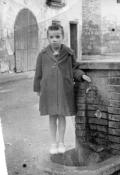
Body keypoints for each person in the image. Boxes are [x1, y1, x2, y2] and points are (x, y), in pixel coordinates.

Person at [33, 24, 91, 154]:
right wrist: (38, 88)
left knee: (62, 116)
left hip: (64, 90)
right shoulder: (42, 54)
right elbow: (38, 73)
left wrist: (81, 75)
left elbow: (74, 69)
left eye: (57, 36)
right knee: (52, 117)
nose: (54, 40)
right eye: (51, 37)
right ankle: (53, 143)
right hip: (49, 91)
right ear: (48, 38)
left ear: (63, 37)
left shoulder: (68, 53)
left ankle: (62, 142)